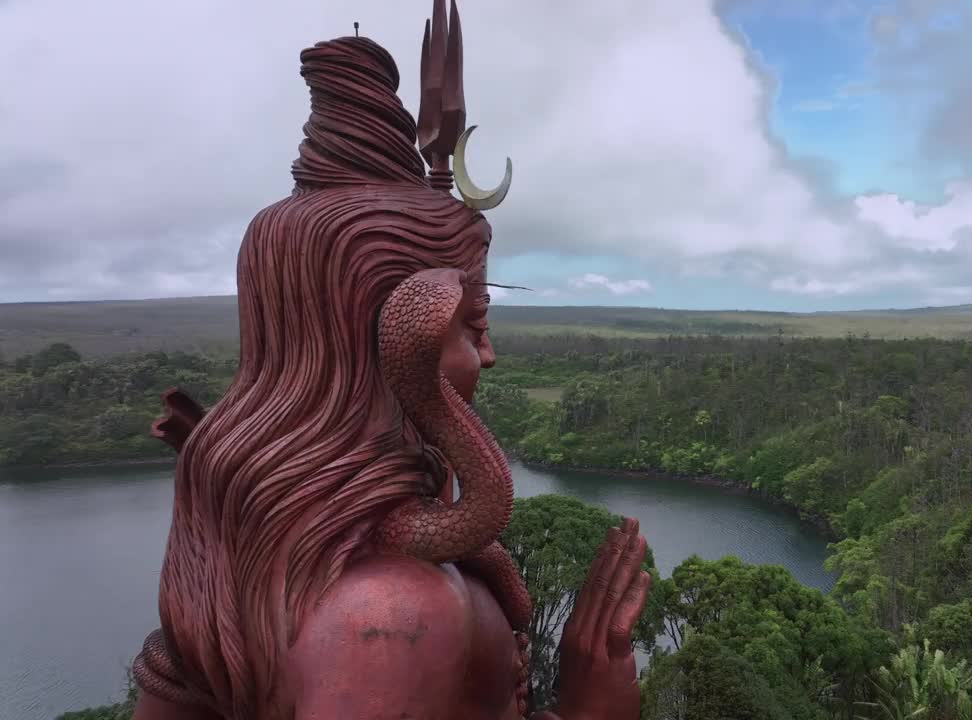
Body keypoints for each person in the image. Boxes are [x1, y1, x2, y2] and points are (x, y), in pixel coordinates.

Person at [128, 4, 651, 718]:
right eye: (474, 325)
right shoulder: (391, 615)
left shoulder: (253, 555)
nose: (489, 357)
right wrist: (594, 706)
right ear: (404, 338)